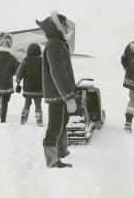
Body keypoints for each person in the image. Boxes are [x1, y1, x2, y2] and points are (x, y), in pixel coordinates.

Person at [36, 10, 77, 168]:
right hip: (57, 94)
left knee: (62, 122)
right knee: (55, 125)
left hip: (59, 93)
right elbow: (58, 73)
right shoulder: (55, 44)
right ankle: (52, 160)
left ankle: (61, 151)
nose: (68, 27)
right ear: (58, 26)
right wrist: (68, 97)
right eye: (65, 24)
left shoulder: (57, 42)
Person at [15, 43, 43, 126]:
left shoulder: (26, 60)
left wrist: (18, 80)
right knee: (38, 104)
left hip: (28, 88)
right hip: (39, 88)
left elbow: (20, 72)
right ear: (39, 51)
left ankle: (23, 119)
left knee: (27, 103)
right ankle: (39, 121)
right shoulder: (42, 60)